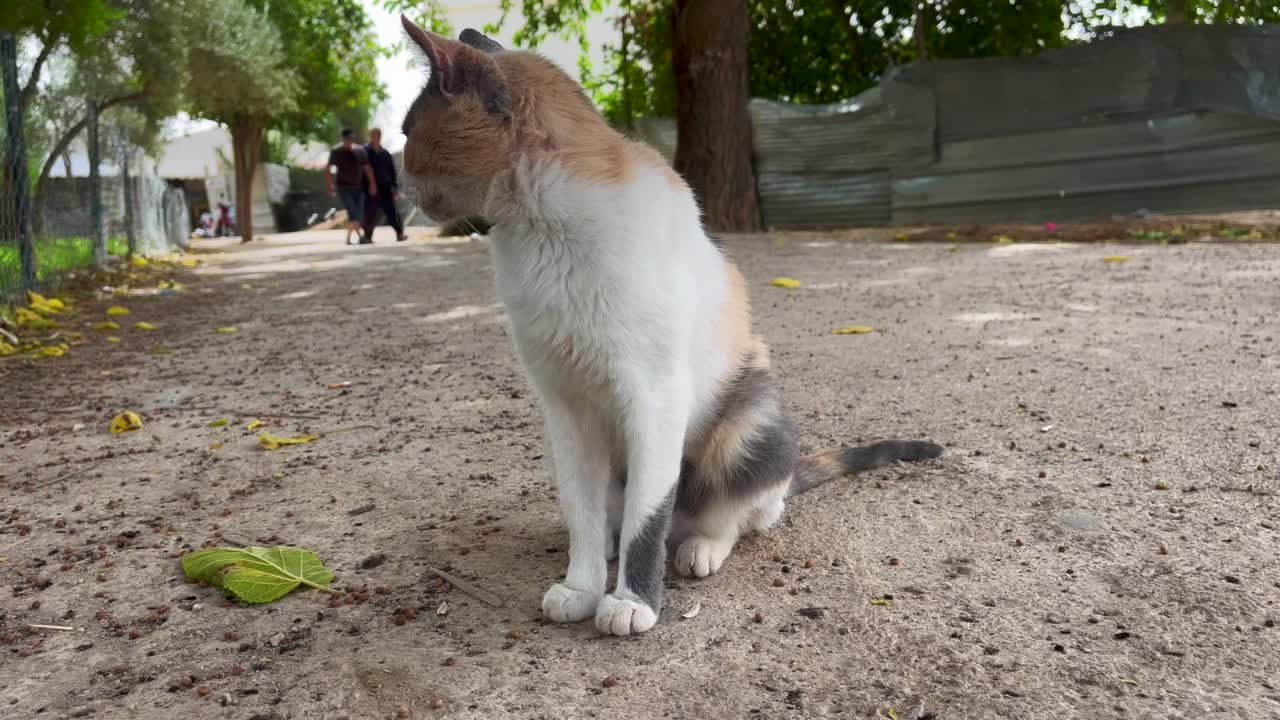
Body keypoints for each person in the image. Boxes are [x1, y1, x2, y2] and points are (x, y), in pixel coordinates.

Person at [325, 128, 377, 245]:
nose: (350, 141)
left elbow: (367, 168)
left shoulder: (360, 151)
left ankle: (349, 239)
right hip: (343, 187)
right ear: (343, 139)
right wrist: (329, 185)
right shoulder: (336, 152)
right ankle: (361, 237)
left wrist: (372, 184)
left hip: (358, 187)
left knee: (356, 213)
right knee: (353, 211)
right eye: (347, 139)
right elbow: (327, 169)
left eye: (352, 139)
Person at [361, 128, 406, 243]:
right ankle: (367, 236)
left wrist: (395, 187)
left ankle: (400, 233)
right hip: (370, 188)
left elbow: (391, 171)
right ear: (370, 136)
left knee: (392, 211)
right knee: (370, 213)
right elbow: (362, 170)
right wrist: (368, 186)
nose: (376, 137)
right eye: (374, 135)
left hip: (385, 187)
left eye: (378, 135)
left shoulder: (385, 153)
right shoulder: (364, 152)